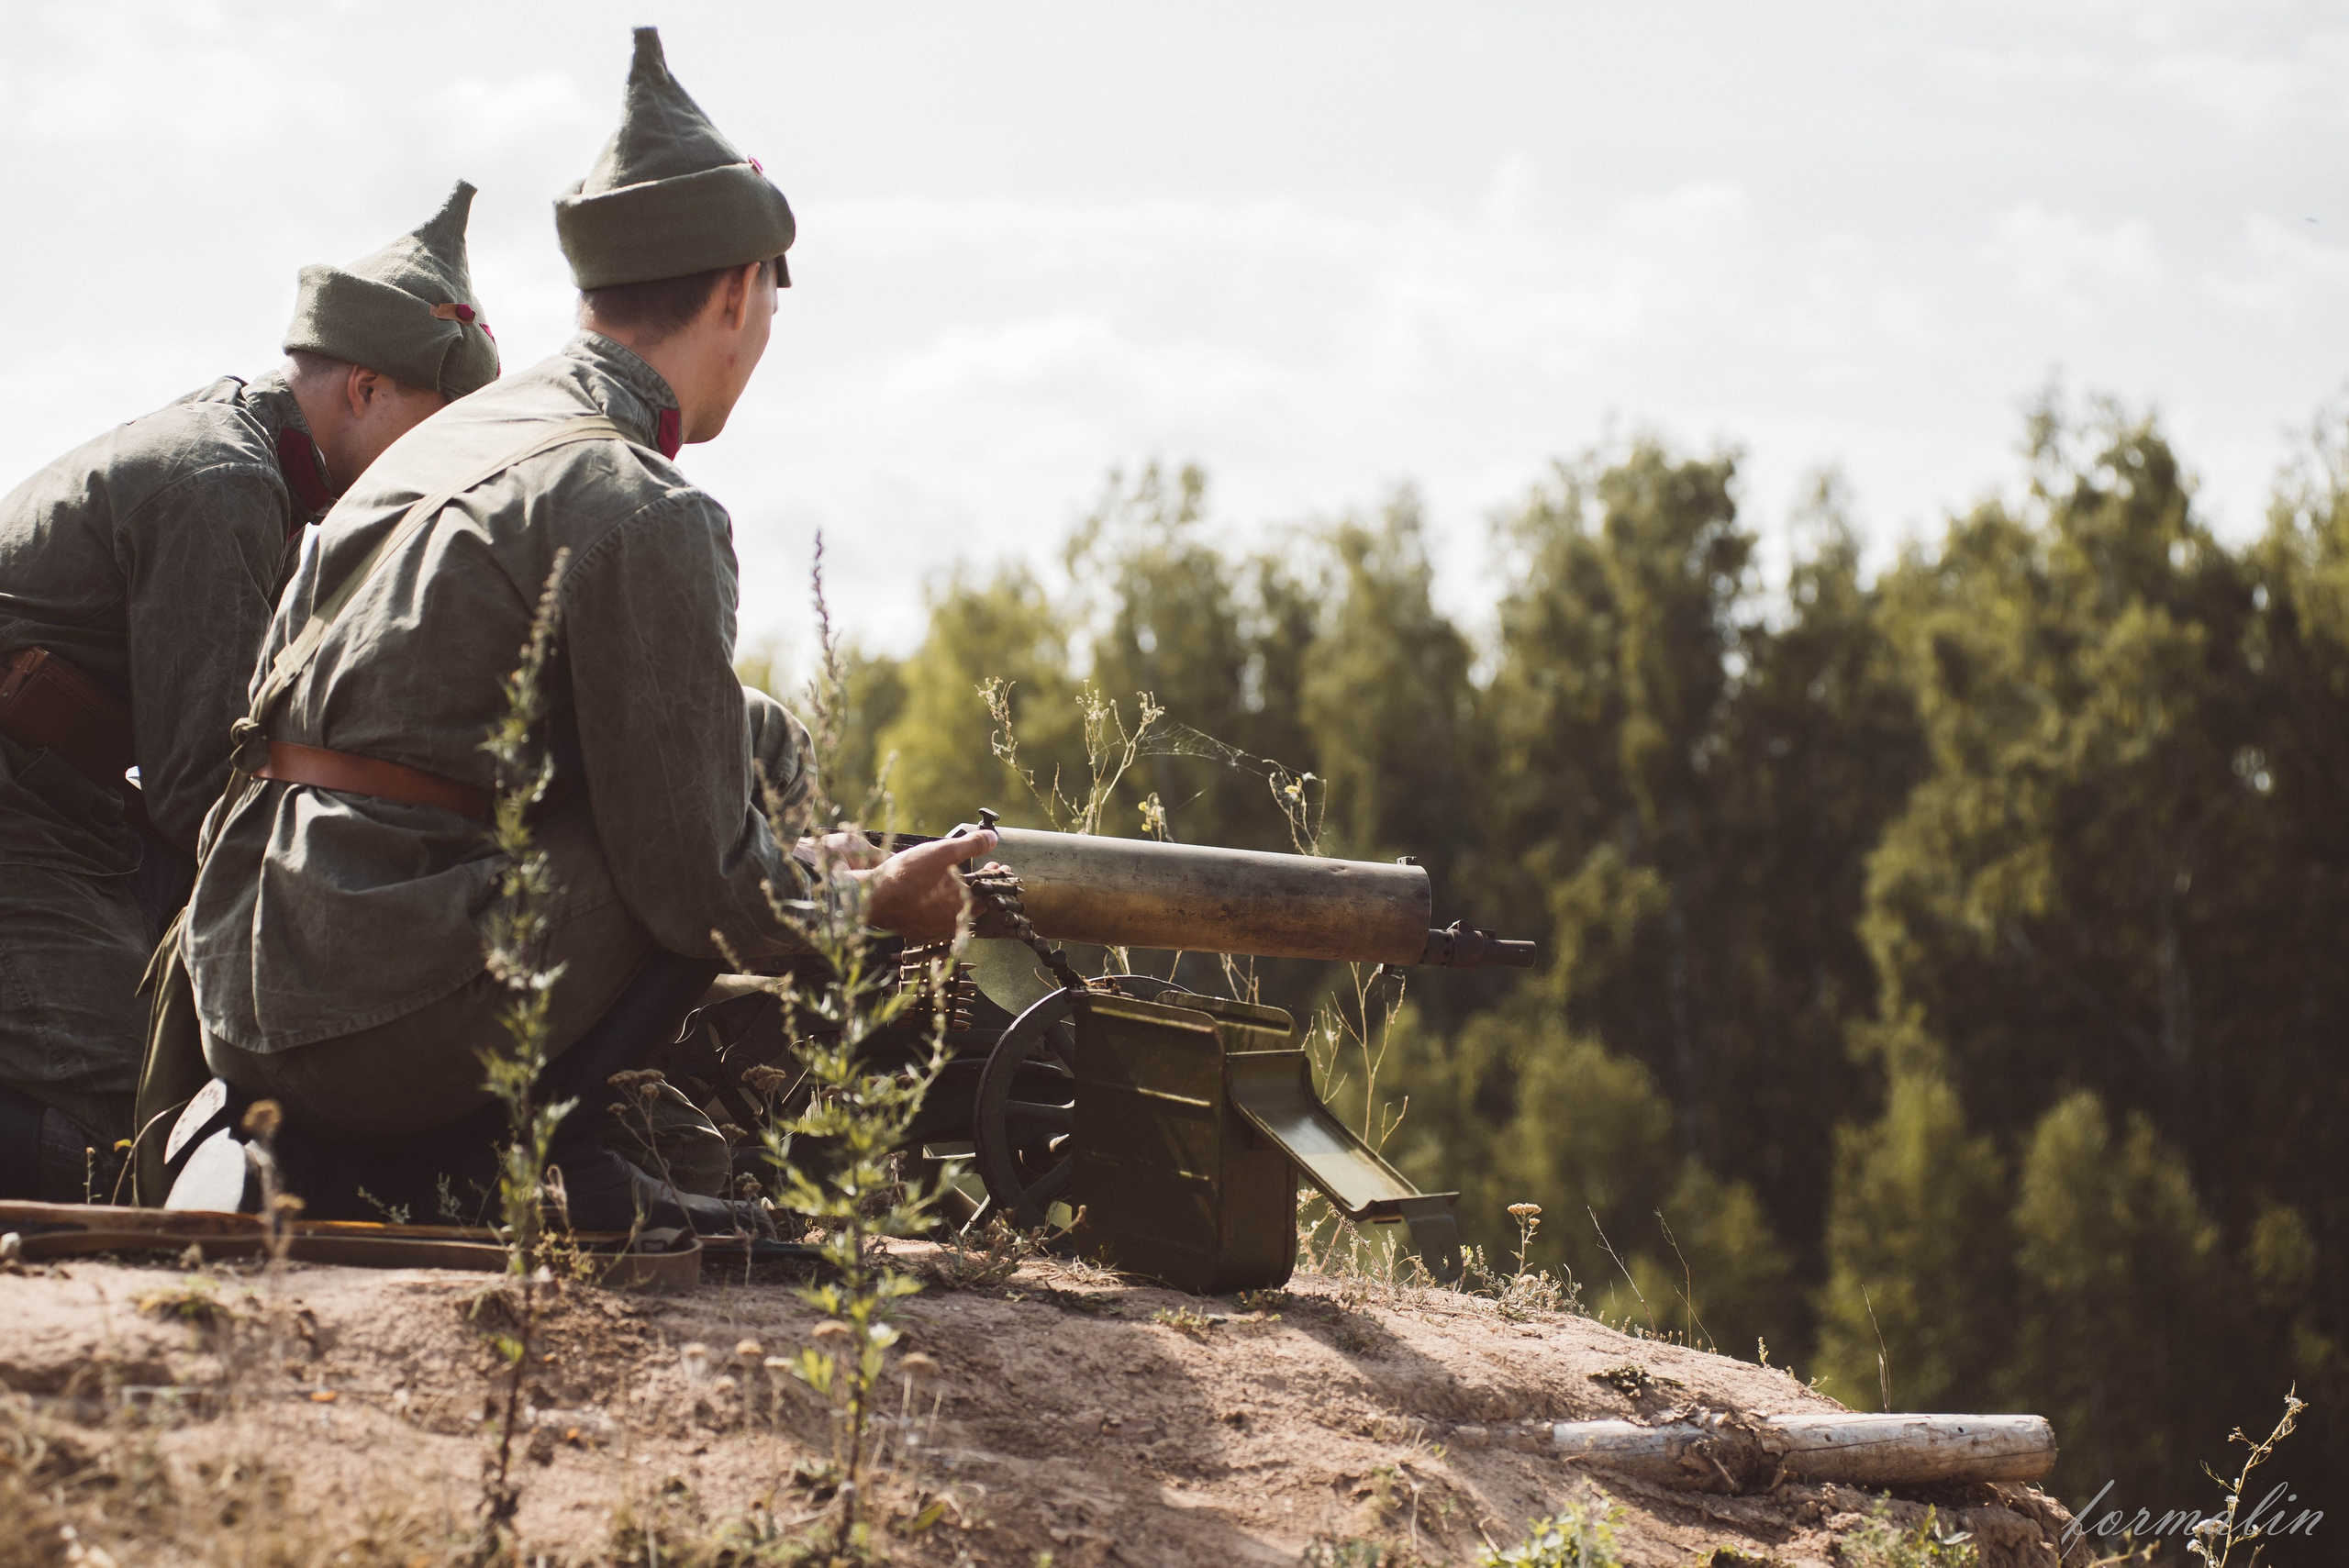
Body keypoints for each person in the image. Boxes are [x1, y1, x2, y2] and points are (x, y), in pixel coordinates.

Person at [176, 28, 989, 1229]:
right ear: (734, 293)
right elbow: (694, 884)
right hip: (358, 1017)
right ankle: (542, 1159)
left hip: (251, 971)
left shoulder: (459, 434)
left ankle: (525, 1139)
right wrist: (867, 904)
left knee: (745, 737)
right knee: (687, 837)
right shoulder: (639, 505)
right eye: (768, 299)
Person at [0, 183, 499, 1200]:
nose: (440, 475)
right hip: (23, 814)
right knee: (133, 1107)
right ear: (364, 390)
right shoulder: (221, 485)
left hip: (69, 809)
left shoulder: (257, 474)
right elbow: (203, 796)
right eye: (436, 435)